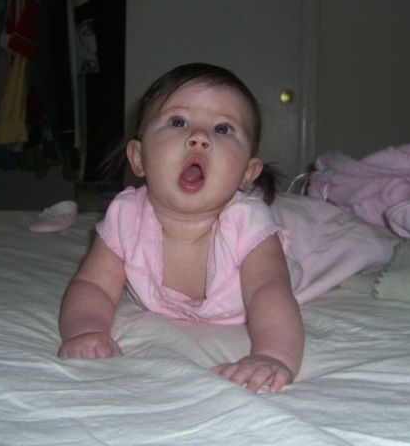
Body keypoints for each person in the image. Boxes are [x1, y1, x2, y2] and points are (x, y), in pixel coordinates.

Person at [58, 62, 304, 393]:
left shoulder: (248, 224)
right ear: (138, 158)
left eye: (223, 129)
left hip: (287, 264)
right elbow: (93, 285)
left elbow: (269, 290)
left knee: (330, 243)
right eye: (178, 122)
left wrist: (272, 355)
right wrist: (86, 330)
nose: (199, 137)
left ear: (248, 173)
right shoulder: (126, 217)